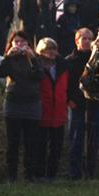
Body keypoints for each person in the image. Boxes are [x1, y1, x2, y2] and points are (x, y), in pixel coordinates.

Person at [0, 30, 43, 182]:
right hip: (13, 104)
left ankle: (29, 176)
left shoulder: (34, 58)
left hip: (32, 104)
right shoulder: (10, 59)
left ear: (29, 44)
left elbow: (40, 76)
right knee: (13, 143)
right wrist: (7, 56)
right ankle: (12, 177)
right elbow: (0, 73)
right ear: (11, 44)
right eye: (16, 42)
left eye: (23, 42)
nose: (19, 45)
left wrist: (32, 58)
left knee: (31, 143)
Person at [65, 28, 99, 179]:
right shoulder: (70, 60)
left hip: (94, 104)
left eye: (90, 38)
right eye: (84, 38)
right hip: (77, 104)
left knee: (94, 140)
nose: (87, 41)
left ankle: (91, 173)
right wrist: (69, 100)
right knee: (76, 139)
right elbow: (66, 84)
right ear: (77, 41)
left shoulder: (98, 60)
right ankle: (74, 173)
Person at [35, 37, 68, 180]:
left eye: (54, 49)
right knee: (40, 145)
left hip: (59, 111)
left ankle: (51, 174)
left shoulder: (63, 66)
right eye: (48, 49)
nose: (52, 52)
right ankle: (39, 173)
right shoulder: (36, 67)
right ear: (41, 52)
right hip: (42, 110)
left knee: (56, 146)